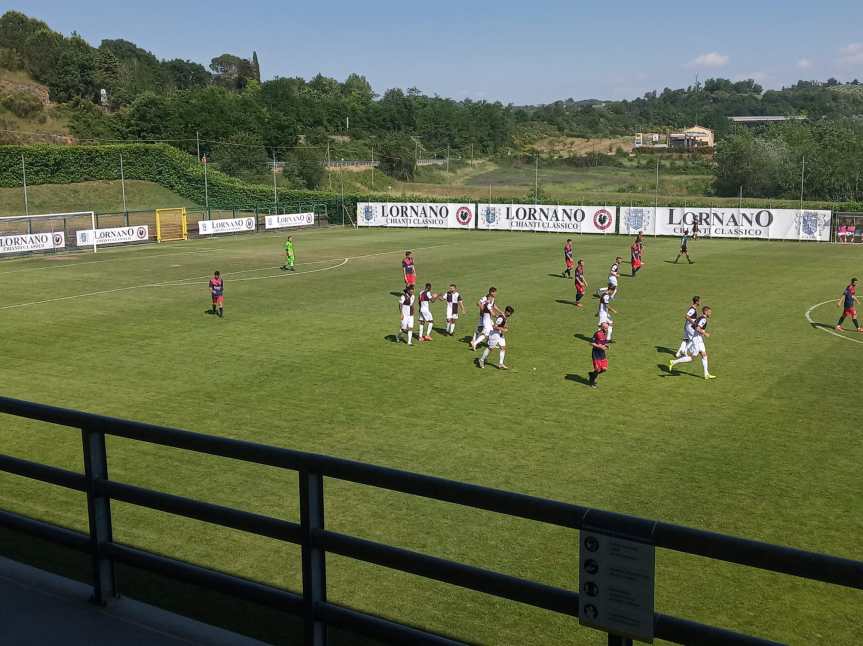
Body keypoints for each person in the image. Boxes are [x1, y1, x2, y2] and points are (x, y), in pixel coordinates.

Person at [668, 306, 716, 379]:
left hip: (699, 339)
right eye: (709, 312)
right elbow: (697, 328)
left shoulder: (699, 317)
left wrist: (700, 332)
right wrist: (704, 333)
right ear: (705, 312)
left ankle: (706, 374)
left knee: (704, 355)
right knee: (692, 358)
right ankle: (674, 362)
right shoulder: (703, 320)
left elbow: (693, 326)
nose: (710, 313)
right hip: (697, 340)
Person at [587, 321, 610, 388]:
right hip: (596, 353)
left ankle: (592, 374)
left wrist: (606, 345)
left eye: (607, 328)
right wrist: (600, 346)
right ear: (602, 328)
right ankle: (592, 382)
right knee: (597, 369)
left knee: (604, 369)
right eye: (605, 328)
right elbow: (591, 343)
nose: (607, 329)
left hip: (602, 354)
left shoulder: (605, 333)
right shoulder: (597, 333)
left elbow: (603, 342)